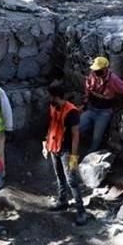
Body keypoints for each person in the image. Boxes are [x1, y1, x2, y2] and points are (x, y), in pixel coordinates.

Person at [44, 83, 88, 225]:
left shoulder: (72, 112)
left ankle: (81, 211)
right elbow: (51, 126)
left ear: (56, 97)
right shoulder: (53, 106)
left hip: (67, 150)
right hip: (54, 147)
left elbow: (75, 135)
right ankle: (62, 201)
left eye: (50, 96)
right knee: (59, 176)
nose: (48, 98)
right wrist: (46, 143)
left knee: (72, 181)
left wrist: (74, 158)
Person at [79, 56, 123, 152]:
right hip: (91, 108)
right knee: (78, 127)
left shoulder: (114, 80)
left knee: (97, 138)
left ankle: (91, 153)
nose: (96, 73)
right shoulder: (93, 75)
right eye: (95, 70)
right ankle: (83, 144)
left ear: (105, 69)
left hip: (104, 112)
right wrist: (85, 100)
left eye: (98, 71)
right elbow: (88, 86)